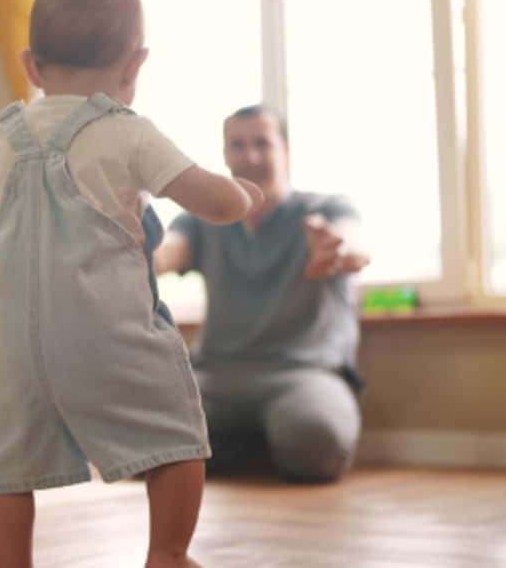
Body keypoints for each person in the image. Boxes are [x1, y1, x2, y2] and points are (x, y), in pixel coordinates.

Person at [0, 0, 264, 567]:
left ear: (31, 66)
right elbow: (214, 202)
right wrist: (248, 195)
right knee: (177, 432)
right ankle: (168, 553)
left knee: (4, 467)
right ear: (134, 66)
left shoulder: (2, 138)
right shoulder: (126, 132)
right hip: (106, 334)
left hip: (11, 349)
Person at [154, 105, 371, 484]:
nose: (249, 156)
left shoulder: (326, 209)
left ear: (284, 151)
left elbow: (351, 247)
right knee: (146, 444)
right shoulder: (201, 221)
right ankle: (257, 445)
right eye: (237, 146)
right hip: (216, 377)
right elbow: (165, 254)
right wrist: (134, 250)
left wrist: (334, 251)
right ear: (225, 156)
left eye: (261, 143)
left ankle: (233, 447)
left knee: (316, 445)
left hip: (303, 373)